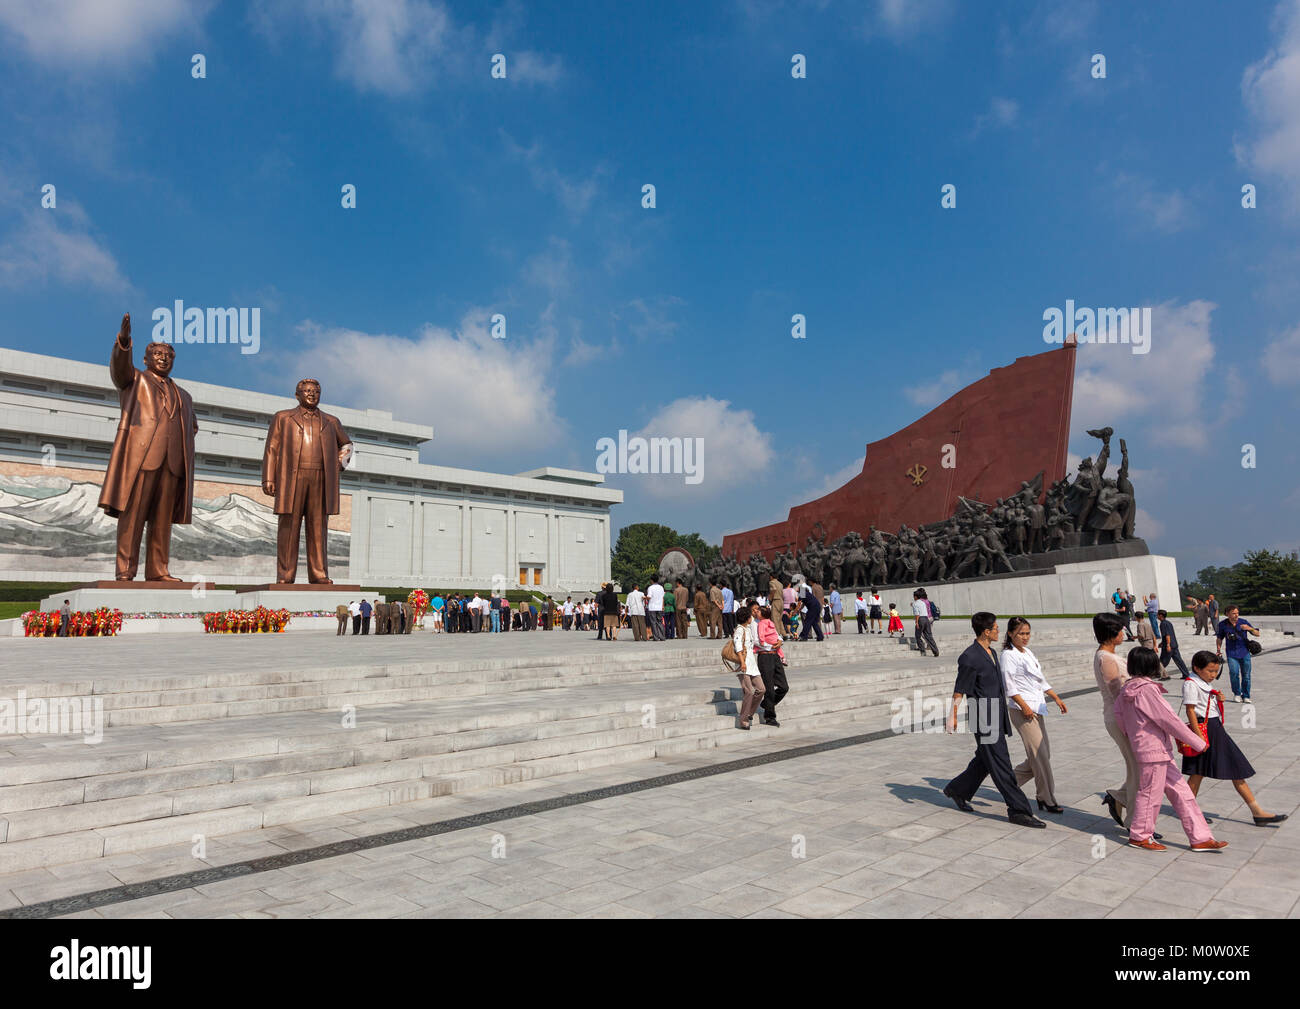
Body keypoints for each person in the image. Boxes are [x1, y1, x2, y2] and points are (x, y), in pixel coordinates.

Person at [1113, 647, 1225, 852]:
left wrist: (1134, 736)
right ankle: (1140, 836)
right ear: (1151, 665)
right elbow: (1168, 720)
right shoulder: (1146, 690)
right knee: (1150, 795)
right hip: (1153, 750)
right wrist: (1197, 742)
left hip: (1153, 749)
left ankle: (1200, 837)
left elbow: (1119, 717)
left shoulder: (1127, 689)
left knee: (1183, 793)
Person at [943, 612, 1044, 828]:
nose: (999, 631)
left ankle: (957, 789)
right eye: (996, 629)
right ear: (986, 632)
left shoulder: (991, 652)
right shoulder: (969, 657)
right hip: (984, 717)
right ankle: (1018, 810)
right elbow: (960, 688)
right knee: (1001, 763)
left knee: (985, 759)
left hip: (996, 713)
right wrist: (952, 714)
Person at [1182, 651, 1287, 827]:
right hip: (1205, 730)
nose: (1214, 675)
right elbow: (1190, 710)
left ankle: (1256, 812)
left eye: (1216, 671)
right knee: (1202, 772)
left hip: (1214, 729)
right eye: (1210, 671)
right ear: (1197, 668)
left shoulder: (1201, 682)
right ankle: (1188, 811)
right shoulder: (1191, 684)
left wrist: (1218, 698)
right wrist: (1199, 737)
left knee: (1203, 772)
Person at [1000, 617, 1068, 814]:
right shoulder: (1008, 655)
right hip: (1022, 710)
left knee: (1043, 754)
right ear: (1011, 633)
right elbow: (1009, 685)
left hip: (1037, 707)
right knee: (1040, 756)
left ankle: (1009, 784)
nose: (1025, 637)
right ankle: (1046, 798)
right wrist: (1023, 706)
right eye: (1021, 633)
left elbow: (1040, 680)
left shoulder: (1027, 652)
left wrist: (1056, 698)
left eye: (1027, 633)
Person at [1093, 612, 1144, 834]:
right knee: (1137, 767)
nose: (1125, 633)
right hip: (1120, 718)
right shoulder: (1106, 659)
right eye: (1122, 629)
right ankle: (1134, 821)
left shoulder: (1109, 656)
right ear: (1112, 633)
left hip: (1125, 717)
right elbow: (1119, 695)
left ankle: (1120, 798)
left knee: (1137, 767)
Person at [1215, 605, 1261, 704]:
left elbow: (1257, 634)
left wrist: (1249, 628)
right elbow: (1219, 638)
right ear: (1227, 614)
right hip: (1231, 653)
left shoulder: (1243, 622)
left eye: (1237, 613)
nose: (1236, 615)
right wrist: (1218, 649)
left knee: (1246, 675)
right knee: (1234, 674)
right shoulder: (1223, 624)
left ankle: (1246, 695)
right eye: (1234, 613)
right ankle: (1237, 694)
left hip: (1244, 652)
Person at [755, 604, 788, 726]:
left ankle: (767, 704)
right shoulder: (754, 625)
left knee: (784, 687)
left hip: (775, 655)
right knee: (769, 687)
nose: (756, 612)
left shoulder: (769, 622)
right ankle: (770, 717)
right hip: (764, 656)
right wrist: (772, 645)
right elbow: (756, 641)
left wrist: (779, 641)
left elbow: (776, 635)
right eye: (755, 610)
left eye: (758, 610)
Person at [731, 606, 764, 730]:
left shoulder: (748, 629)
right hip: (743, 664)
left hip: (752, 664)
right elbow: (738, 647)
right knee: (749, 691)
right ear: (746, 618)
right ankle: (743, 720)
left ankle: (749, 712)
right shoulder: (740, 630)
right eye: (750, 615)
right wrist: (742, 663)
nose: (752, 617)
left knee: (761, 689)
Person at [1157, 609, 1188, 678]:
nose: (1157, 616)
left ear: (1161, 615)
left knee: (1163, 661)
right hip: (1174, 644)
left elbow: (1167, 635)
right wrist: (1162, 642)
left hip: (1169, 645)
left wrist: (1167, 645)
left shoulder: (1163, 624)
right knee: (1179, 660)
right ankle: (1186, 674)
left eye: (1158, 614)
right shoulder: (1168, 622)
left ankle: (1158, 673)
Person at [912, 588, 938, 656]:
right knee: (929, 636)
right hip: (926, 619)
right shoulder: (923, 602)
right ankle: (936, 651)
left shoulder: (915, 604)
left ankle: (923, 651)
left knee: (918, 636)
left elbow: (917, 614)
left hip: (920, 619)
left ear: (915, 597)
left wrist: (916, 622)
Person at [646, 576, 666, 640]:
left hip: (652, 607)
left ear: (652, 580)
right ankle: (662, 636)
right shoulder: (661, 587)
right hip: (659, 607)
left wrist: (644, 597)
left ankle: (656, 637)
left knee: (653, 623)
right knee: (660, 622)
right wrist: (662, 606)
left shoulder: (650, 588)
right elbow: (663, 597)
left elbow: (649, 597)